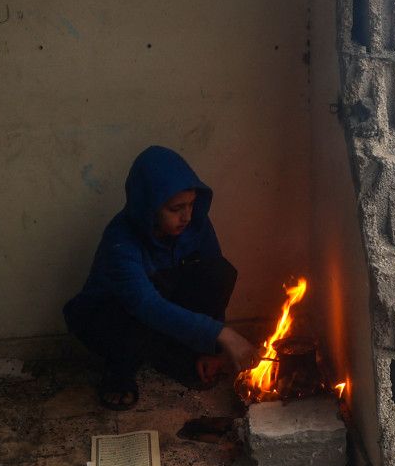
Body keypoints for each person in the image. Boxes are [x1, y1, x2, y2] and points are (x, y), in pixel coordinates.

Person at [63, 146, 256, 410]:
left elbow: (211, 280)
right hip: (108, 318)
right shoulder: (120, 241)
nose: (186, 216)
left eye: (190, 204)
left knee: (217, 271)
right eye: (176, 208)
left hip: (161, 303)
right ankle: (119, 372)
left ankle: (182, 355)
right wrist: (224, 335)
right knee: (136, 315)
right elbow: (147, 306)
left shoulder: (194, 224)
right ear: (150, 208)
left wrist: (211, 350)